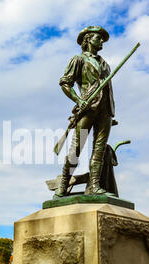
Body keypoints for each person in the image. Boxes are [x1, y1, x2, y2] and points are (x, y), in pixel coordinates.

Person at [55, 26, 116, 197]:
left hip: (106, 110)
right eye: (98, 37)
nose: (101, 41)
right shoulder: (79, 59)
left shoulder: (105, 64)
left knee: (100, 150)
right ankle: (62, 186)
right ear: (88, 39)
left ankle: (95, 186)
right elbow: (65, 83)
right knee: (76, 148)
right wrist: (78, 100)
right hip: (87, 108)